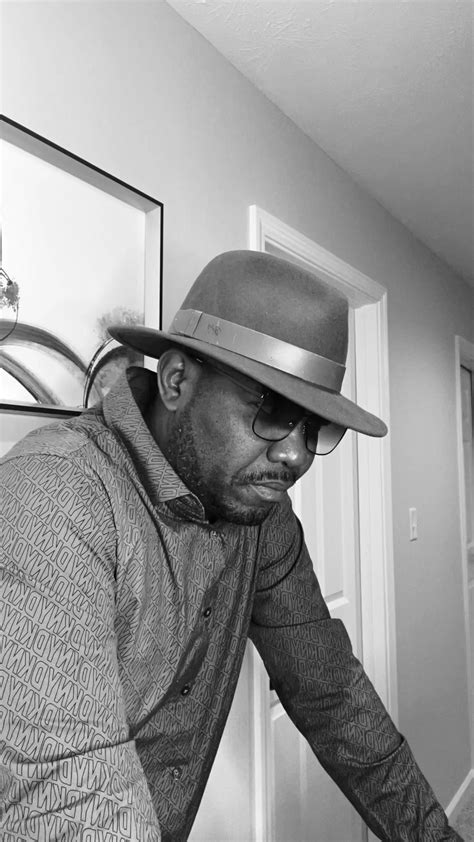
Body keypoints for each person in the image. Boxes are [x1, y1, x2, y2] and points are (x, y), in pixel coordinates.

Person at [0, 250, 462, 841]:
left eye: (314, 427)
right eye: (273, 410)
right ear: (176, 381)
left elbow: (332, 692)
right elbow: (67, 800)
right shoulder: (55, 494)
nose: (295, 455)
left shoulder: (263, 520)